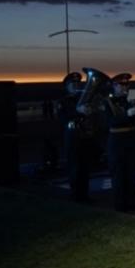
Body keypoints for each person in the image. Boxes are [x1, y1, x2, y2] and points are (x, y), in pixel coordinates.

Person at [57, 71, 97, 202]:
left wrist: (90, 111)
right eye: (72, 83)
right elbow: (62, 118)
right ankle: (75, 196)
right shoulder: (63, 101)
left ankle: (84, 195)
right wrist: (77, 111)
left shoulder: (83, 98)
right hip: (72, 137)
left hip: (84, 136)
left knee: (85, 167)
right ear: (66, 86)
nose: (76, 85)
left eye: (77, 83)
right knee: (74, 167)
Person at [104, 72, 135, 212]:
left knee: (132, 173)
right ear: (114, 86)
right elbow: (107, 122)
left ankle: (132, 203)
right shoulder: (107, 101)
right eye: (122, 84)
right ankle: (120, 206)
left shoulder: (131, 98)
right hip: (117, 141)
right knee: (119, 174)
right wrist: (126, 115)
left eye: (127, 84)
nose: (126, 86)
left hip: (131, 139)